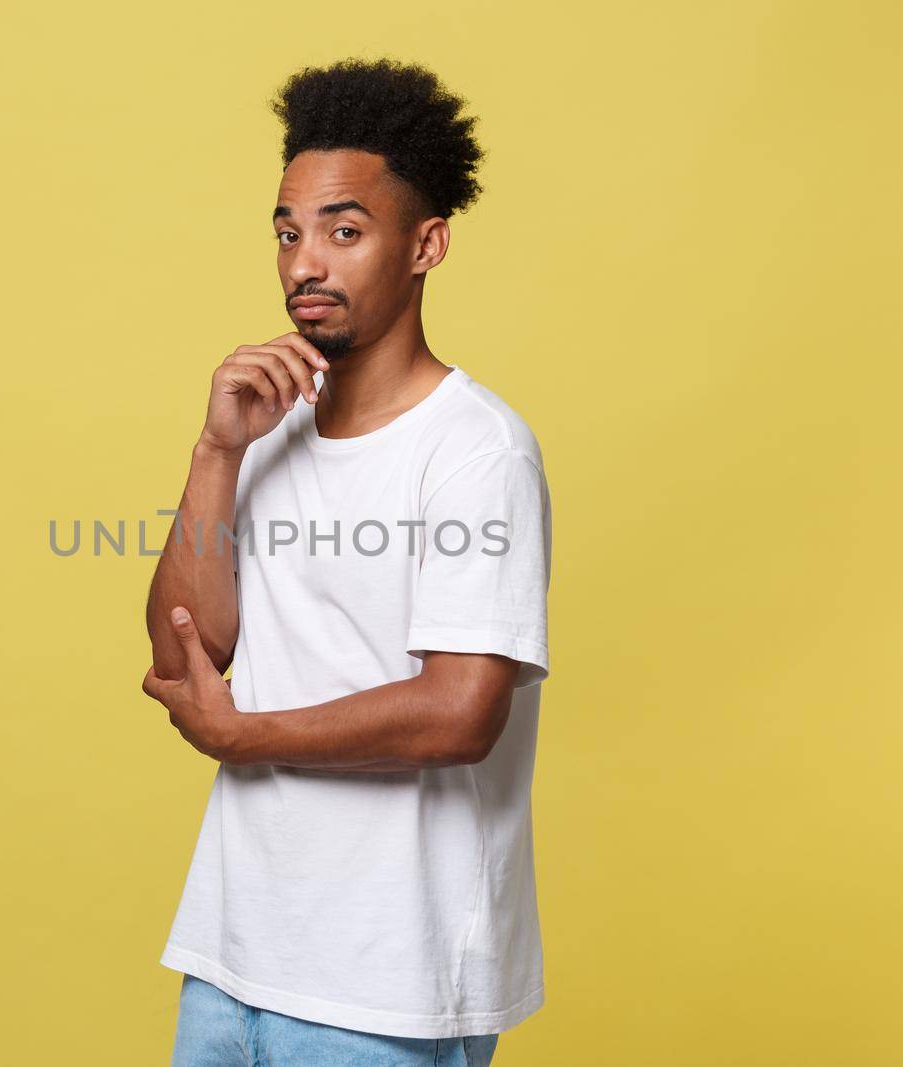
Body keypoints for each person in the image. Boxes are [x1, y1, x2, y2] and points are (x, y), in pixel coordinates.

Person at [142, 56, 552, 1067]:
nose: (303, 263)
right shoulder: (266, 434)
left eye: (343, 229)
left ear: (426, 244)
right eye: (287, 230)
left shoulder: (475, 450)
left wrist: (244, 734)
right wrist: (215, 450)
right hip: (231, 958)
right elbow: (184, 643)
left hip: (387, 989)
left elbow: (460, 709)